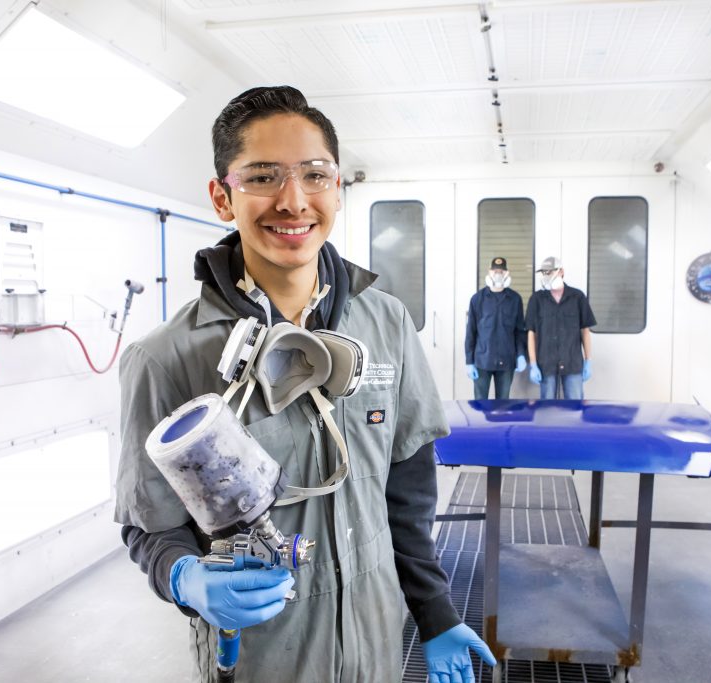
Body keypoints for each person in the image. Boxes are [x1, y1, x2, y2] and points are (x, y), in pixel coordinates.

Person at [113, 86, 495, 683]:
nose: (293, 202)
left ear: (336, 188)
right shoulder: (165, 358)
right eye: (263, 176)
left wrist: (435, 611)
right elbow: (149, 524)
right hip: (262, 656)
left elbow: (408, 486)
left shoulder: (387, 321)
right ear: (221, 197)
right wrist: (185, 578)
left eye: (315, 175)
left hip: (375, 643)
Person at [525, 256, 596, 399]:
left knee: (575, 408)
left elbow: (585, 332)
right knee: (547, 409)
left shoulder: (577, 297)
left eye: (550, 272)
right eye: (544, 273)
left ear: (561, 272)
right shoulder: (537, 299)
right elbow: (532, 334)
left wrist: (588, 360)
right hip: (546, 363)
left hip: (572, 363)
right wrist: (533, 364)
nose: (547, 276)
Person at [464, 256, 527, 399]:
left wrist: (521, 355)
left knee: (502, 404)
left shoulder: (515, 299)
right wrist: (469, 361)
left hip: (507, 361)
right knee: (480, 404)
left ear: (507, 273)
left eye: (501, 271)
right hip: (482, 361)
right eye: (495, 271)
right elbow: (471, 332)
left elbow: (519, 332)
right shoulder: (477, 299)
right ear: (489, 272)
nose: (498, 274)